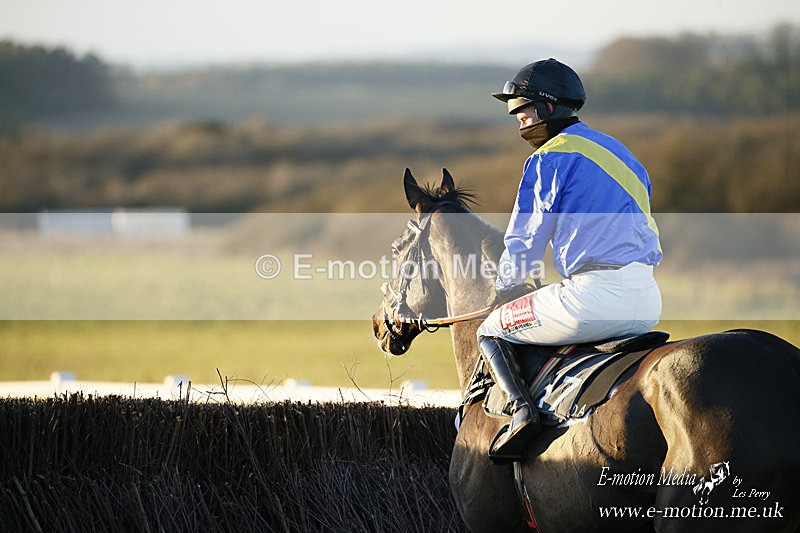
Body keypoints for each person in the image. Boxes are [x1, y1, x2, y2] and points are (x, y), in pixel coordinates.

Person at [476, 58, 663, 461]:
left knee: (491, 329)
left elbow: (526, 238)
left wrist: (506, 286)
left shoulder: (549, 158)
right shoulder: (620, 151)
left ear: (546, 108)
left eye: (521, 110)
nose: (517, 120)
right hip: (646, 300)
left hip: (591, 298)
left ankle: (523, 415)